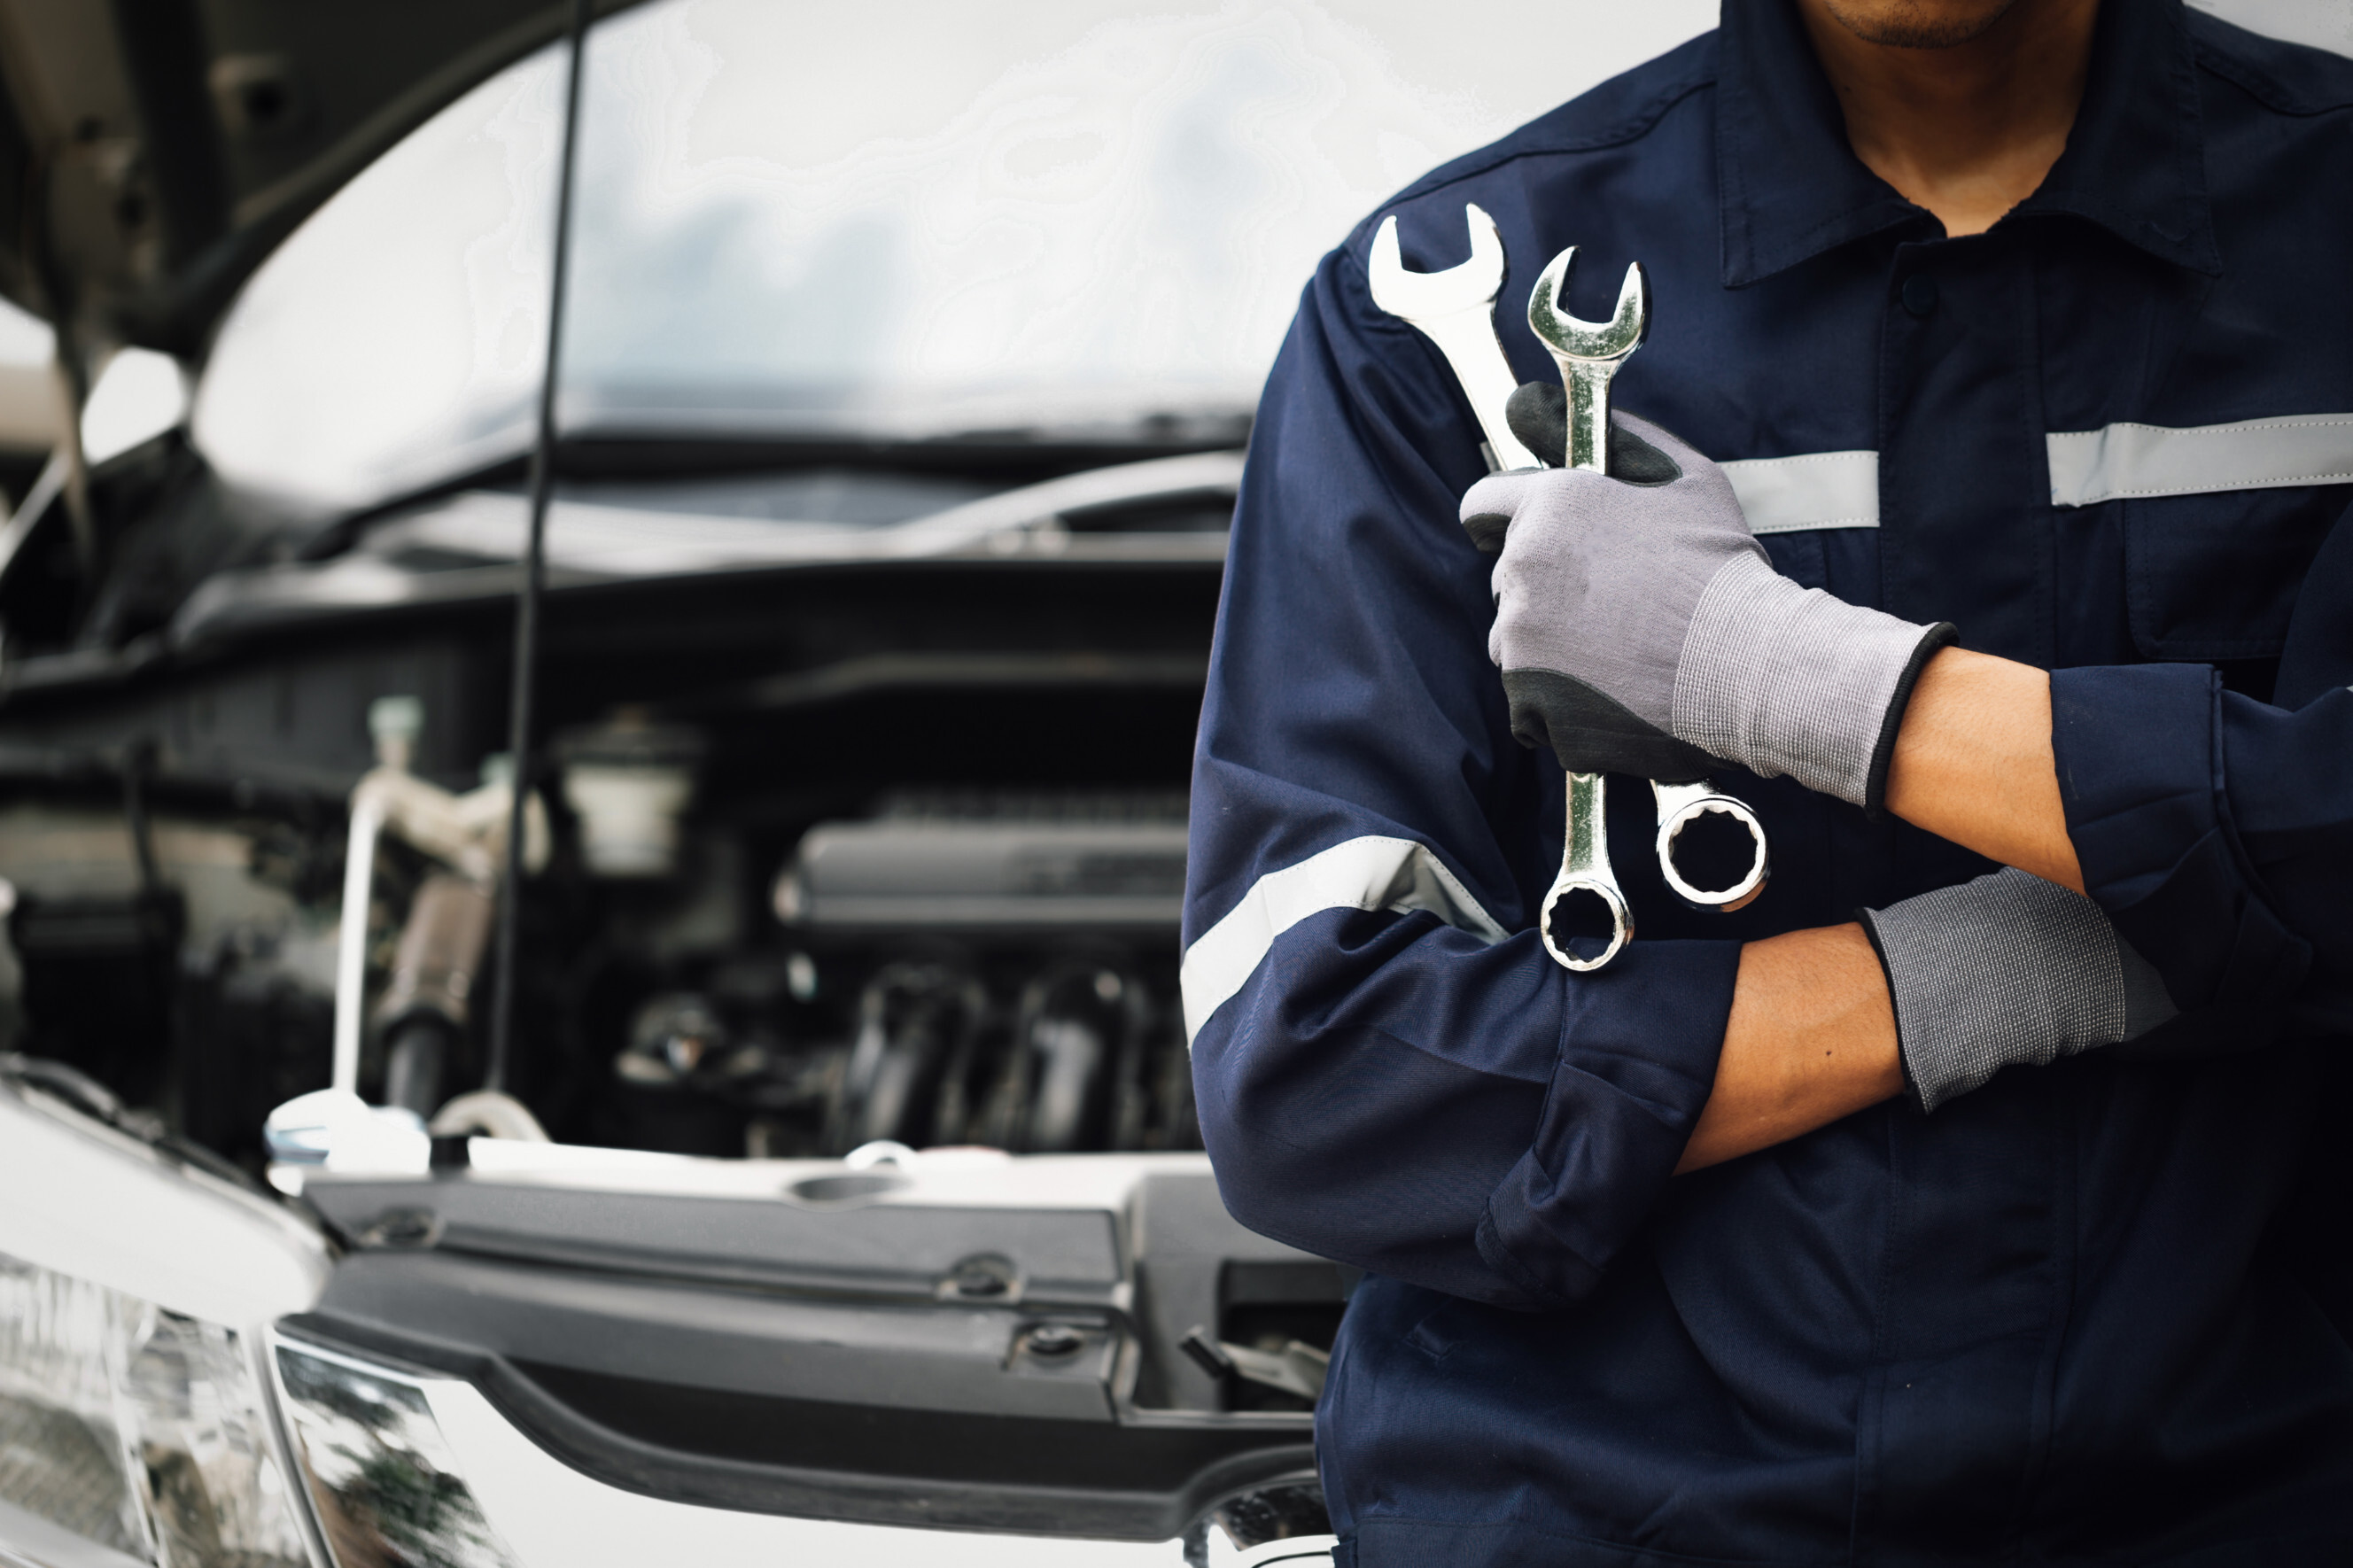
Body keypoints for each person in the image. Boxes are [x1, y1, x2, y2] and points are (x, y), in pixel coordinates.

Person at [1181, 0, 2353, 1561]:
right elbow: (1322, 1069)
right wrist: (2034, 956)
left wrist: (1761, 660)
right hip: (1606, 1517)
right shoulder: (1442, 324)